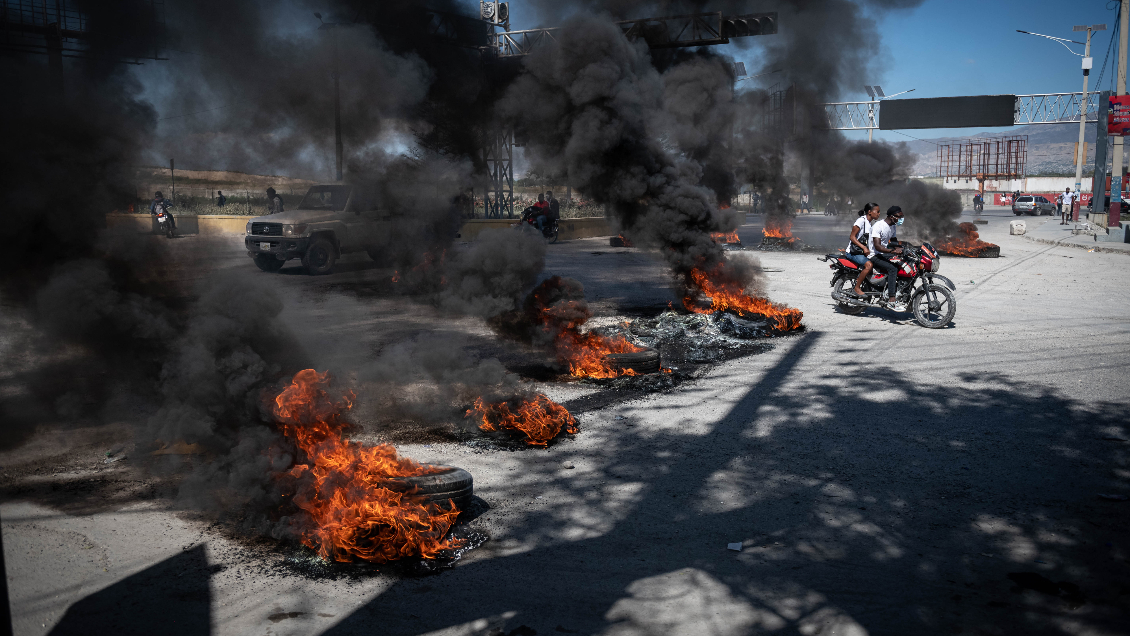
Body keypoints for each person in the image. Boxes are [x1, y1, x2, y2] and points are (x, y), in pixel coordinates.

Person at [868, 206, 905, 307]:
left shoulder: (892, 226)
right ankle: (891, 298)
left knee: (903, 263)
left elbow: (894, 241)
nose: (901, 219)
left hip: (884, 253)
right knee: (892, 268)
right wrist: (893, 251)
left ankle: (897, 289)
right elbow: (878, 246)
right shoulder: (878, 226)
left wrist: (904, 248)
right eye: (899, 216)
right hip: (874, 254)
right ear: (892, 216)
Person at [848, 203, 882, 297]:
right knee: (869, 265)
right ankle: (857, 287)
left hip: (862, 252)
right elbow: (852, 237)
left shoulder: (870, 223)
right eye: (877, 211)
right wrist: (864, 247)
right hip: (854, 252)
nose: (879, 214)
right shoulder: (861, 221)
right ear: (869, 212)